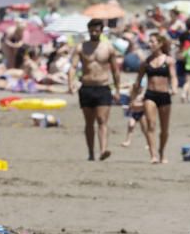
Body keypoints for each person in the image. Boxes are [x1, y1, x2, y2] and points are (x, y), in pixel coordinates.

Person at [68, 18, 119, 161]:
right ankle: (91, 152)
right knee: (89, 122)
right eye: (92, 30)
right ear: (88, 30)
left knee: (102, 120)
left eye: (97, 30)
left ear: (101, 31)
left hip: (103, 87)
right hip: (87, 87)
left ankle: (103, 150)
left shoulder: (108, 47)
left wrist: (117, 89)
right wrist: (70, 82)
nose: (94, 32)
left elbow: (115, 70)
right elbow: (73, 67)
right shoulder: (81, 47)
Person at [131, 33, 177, 164]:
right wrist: (133, 99)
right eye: (149, 42)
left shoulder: (168, 61)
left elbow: (173, 77)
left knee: (164, 128)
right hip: (150, 95)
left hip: (164, 95)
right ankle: (153, 154)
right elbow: (138, 81)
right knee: (151, 125)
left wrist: (174, 88)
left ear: (160, 44)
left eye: (152, 42)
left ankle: (162, 151)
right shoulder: (145, 63)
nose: (150, 44)